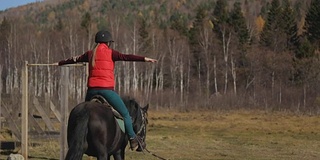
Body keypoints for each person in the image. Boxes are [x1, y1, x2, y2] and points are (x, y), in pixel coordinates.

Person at [56, 30, 157, 151]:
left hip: (91, 91)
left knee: (84, 113)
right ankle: (133, 139)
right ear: (108, 43)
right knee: (125, 114)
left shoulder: (90, 54)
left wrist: (59, 63)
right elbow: (127, 57)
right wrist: (145, 59)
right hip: (107, 91)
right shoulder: (111, 53)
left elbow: (74, 59)